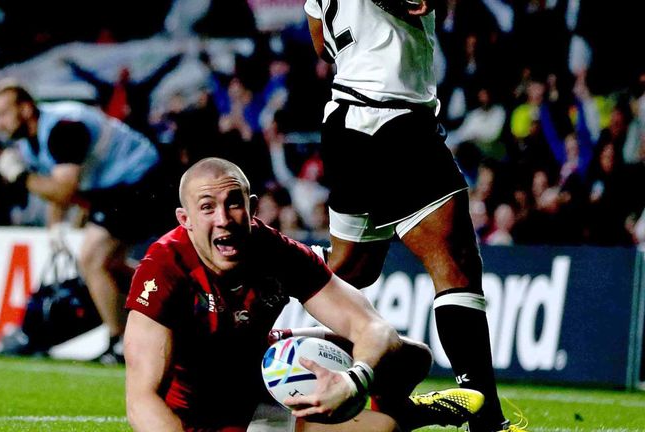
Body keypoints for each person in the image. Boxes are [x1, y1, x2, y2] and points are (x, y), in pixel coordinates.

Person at [123, 158, 484, 432]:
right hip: (202, 409)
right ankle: (402, 418)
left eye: (234, 203)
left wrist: (351, 380)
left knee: (408, 358)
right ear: (184, 219)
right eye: (207, 207)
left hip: (258, 369)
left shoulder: (276, 252)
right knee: (382, 429)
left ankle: (401, 410)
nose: (223, 219)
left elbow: (374, 329)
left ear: (250, 208)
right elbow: (141, 399)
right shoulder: (164, 267)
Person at [303, 1, 523, 431]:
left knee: (347, 272)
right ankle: (488, 423)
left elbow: (320, 43)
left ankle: (260, 288)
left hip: (347, 121)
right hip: (391, 116)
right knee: (455, 261)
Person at [0, 80, 177, 365]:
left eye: (3, 114)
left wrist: (21, 177)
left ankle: (119, 343)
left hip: (141, 180)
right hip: (119, 186)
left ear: (26, 109)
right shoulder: (35, 136)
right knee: (108, 266)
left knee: (92, 259)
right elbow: (58, 186)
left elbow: (64, 189)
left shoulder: (63, 129)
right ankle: (172, 295)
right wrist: (56, 226)